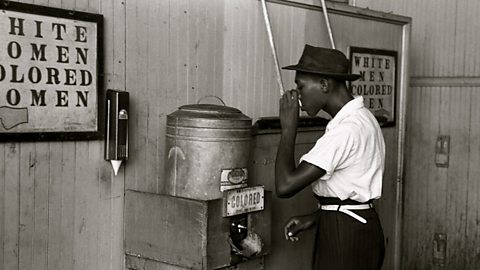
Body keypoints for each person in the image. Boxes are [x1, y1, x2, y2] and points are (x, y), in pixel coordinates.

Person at [275, 44, 386, 270]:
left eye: (301, 86)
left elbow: (285, 185)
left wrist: (288, 129)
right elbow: (351, 192)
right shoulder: (362, 118)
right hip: (355, 225)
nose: (298, 97)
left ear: (324, 84)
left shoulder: (346, 130)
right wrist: (317, 217)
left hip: (345, 235)